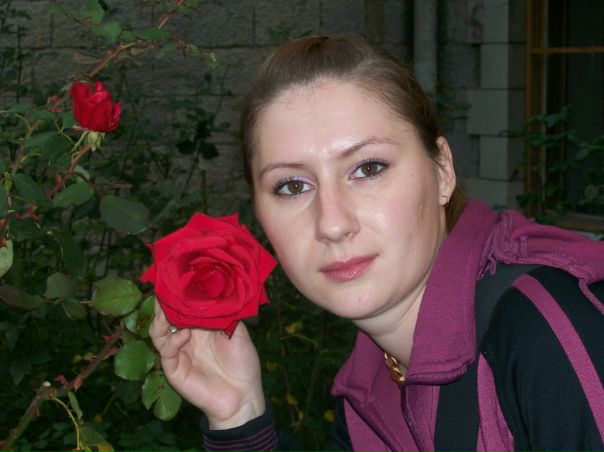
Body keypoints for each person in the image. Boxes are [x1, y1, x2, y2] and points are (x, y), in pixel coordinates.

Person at [150, 34, 604, 451]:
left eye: (368, 169)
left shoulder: (547, 328)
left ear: (442, 170)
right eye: (292, 186)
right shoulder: (370, 388)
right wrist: (238, 413)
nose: (332, 223)